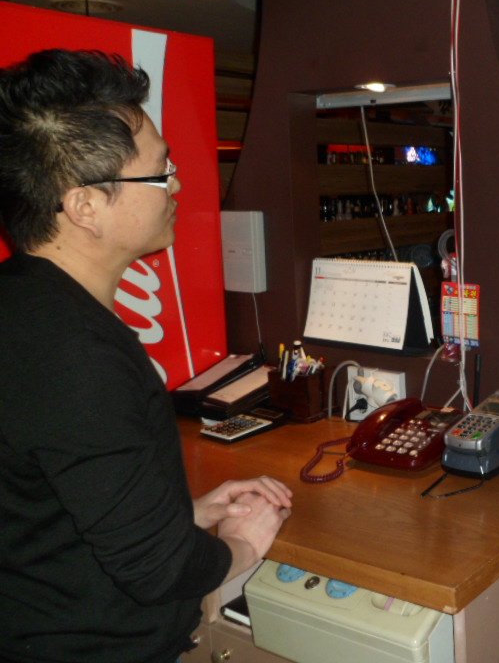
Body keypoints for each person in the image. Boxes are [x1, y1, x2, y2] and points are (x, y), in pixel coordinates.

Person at [0, 49, 293, 663]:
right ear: (85, 206)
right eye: (161, 172)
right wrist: (241, 544)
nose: (177, 185)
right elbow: (162, 570)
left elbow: (42, 504)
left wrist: (179, 514)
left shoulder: (25, 305)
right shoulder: (76, 354)